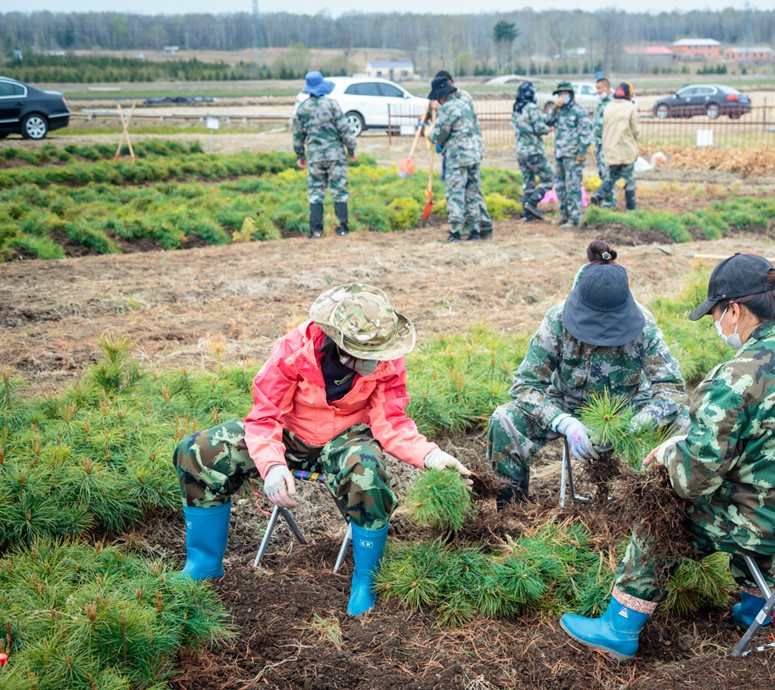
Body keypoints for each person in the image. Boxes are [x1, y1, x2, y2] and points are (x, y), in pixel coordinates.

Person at [559, 253, 775, 660]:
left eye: (715, 315)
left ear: (734, 310)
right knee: (770, 488)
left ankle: (620, 626)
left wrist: (671, 452)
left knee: (662, 510)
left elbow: (694, 480)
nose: (716, 325)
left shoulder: (738, 375)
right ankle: (757, 609)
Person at [175, 284, 471, 616]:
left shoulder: (387, 357)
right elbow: (265, 416)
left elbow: (391, 421)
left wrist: (431, 455)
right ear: (339, 344)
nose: (377, 361)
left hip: (345, 439)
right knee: (199, 451)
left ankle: (365, 581)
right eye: (366, 356)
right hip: (288, 435)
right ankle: (203, 564)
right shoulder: (294, 350)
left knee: (366, 471)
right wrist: (273, 466)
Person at [487, 252, 686, 507]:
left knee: (682, 424)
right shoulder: (557, 320)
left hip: (628, 409)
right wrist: (563, 422)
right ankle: (512, 511)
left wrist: (636, 425)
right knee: (504, 419)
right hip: (567, 405)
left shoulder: (643, 325)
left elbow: (671, 389)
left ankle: (663, 509)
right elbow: (525, 385)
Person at [292, 71, 357, 239]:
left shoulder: (302, 108)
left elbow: (297, 136)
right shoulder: (332, 105)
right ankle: (342, 228)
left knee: (315, 193)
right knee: (339, 190)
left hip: (315, 157)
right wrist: (351, 150)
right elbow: (345, 130)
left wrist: (300, 156)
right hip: (336, 156)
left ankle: (316, 231)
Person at [428, 75, 488, 243]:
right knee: (472, 193)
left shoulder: (447, 108)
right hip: (473, 154)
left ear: (441, 95)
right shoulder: (465, 104)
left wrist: (430, 134)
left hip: (457, 157)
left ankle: (455, 232)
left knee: (455, 193)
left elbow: (439, 134)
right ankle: (475, 230)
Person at [545, 82, 594, 228]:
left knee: (573, 187)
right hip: (560, 154)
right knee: (560, 187)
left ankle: (574, 219)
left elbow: (586, 135)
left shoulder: (579, 111)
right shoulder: (558, 111)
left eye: (565, 93)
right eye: (560, 94)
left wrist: (581, 154)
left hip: (573, 155)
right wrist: (554, 108)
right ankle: (564, 216)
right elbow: (547, 122)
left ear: (571, 94)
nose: (562, 96)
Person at [592, 83, 641, 212]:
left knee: (612, 176)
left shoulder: (608, 107)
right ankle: (631, 209)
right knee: (629, 179)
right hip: (625, 149)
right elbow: (636, 131)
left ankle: (599, 195)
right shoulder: (630, 108)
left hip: (611, 149)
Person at [512, 81, 554, 222]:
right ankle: (532, 203)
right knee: (549, 180)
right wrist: (549, 129)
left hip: (521, 151)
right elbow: (539, 128)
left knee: (528, 182)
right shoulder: (532, 108)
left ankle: (527, 214)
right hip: (534, 151)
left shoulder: (517, 109)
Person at [592, 75, 615, 209]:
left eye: (599, 88)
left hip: (608, 144)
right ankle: (605, 198)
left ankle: (610, 200)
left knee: (607, 173)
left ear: (606, 88)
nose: (597, 91)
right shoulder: (601, 104)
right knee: (602, 172)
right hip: (599, 143)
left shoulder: (612, 104)